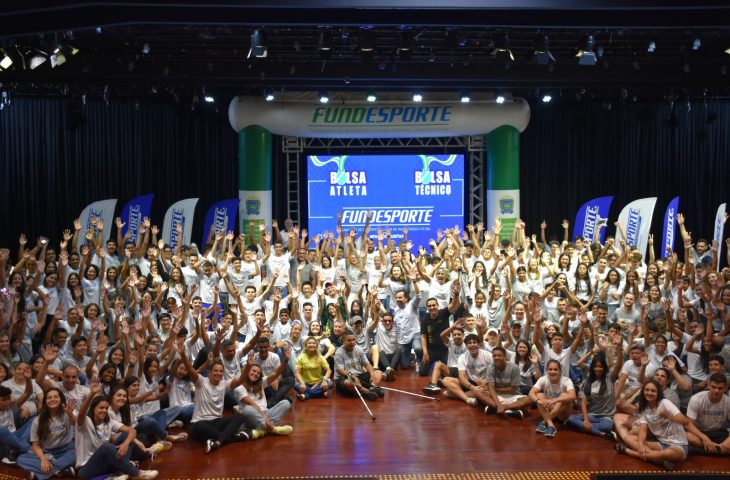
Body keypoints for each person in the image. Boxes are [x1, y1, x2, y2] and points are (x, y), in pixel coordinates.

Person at [174, 338, 251, 454]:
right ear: (209, 373)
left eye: (221, 371)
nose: (218, 373)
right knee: (197, 426)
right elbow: (190, 368)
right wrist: (182, 354)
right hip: (200, 423)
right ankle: (230, 438)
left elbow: (240, 380)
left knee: (240, 417)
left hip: (216, 422)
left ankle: (217, 442)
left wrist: (248, 366)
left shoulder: (224, 385)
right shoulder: (201, 382)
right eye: (215, 371)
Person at [74, 379, 158, 480]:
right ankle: (136, 473)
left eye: (106, 408)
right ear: (93, 409)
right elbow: (81, 413)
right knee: (106, 447)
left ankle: (121, 472)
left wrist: (126, 443)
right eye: (101, 408)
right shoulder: (86, 422)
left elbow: (132, 431)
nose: (104, 410)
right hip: (86, 469)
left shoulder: (109, 422)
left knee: (126, 436)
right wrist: (91, 394)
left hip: (105, 465)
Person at [614, 379, 704, 471]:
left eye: (653, 391)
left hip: (678, 445)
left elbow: (685, 421)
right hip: (661, 444)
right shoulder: (645, 408)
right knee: (629, 438)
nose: (649, 393)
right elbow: (643, 430)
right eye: (647, 390)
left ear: (658, 393)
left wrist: (669, 416)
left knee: (668, 453)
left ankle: (631, 453)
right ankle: (657, 459)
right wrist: (641, 445)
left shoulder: (665, 403)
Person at [234, 349, 294, 438]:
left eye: (258, 373)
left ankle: (260, 431)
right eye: (253, 371)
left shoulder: (261, 382)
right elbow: (252, 404)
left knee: (286, 403)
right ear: (248, 371)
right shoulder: (239, 387)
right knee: (247, 409)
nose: (256, 374)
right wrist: (264, 417)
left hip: (266, 412)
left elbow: (275, 373)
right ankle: (274, 429)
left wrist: (285, 361)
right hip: (251, 417)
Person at [565, 347, 622, 440]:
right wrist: (586, 420)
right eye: (595, 366)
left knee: (607, 426)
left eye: (600, 367)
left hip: (606, 417)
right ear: (592, 367)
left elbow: (618, 366)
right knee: (571, 418)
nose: (598, 369)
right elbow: (583, 401)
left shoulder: (609, 377)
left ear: (604, 368)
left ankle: (581, 426)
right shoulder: (587, 381)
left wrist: (619, 349)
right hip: (592, 415)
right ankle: (603, 434)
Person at [441, 333, 493, 407]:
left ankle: (456, 394)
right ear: (466, 345)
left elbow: (496, 372)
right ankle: (467, 399)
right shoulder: (462, 357)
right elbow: (461, 376)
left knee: (483, 391)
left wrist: (486, 381)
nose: (472, 345)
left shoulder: (488, 355)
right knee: (446, 380)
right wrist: (472, 387)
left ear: (478, 344)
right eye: (469, 343)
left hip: (484, 384)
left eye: (474, 342)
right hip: (470, 383)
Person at [528, 359, 576, 438]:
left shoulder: (566, 380)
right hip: (549, 409)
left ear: (560, 371)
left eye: (555, 369)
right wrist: (537, 400)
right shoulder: (543, 379)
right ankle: (550, 424)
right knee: (539, 396)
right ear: (547, 370)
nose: (552, 372)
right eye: (550, 369)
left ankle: (545, 422)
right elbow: (531, 393)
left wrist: (555, 400)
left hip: (562, 414)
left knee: (564, 395)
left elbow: (573, 395)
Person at [685, 373, 730, 455]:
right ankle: (718, 449)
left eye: (720, 388)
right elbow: (688, 425)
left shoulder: (728, 402)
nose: (716, 391)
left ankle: (704, 450)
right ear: (708, 385)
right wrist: (704, 438)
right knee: (688, 436)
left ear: (725, 388)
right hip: (700, 432)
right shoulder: (696, 399)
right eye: (714, 387)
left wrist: (727, 442)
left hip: (718, 432)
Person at [482, 346, 531, 419]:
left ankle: (497, 408)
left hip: (512, 395)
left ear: (505, 357)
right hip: (497, 395)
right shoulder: (490, 368)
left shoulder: (514, 368)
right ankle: (510, 411)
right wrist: (498, 403)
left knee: (528, 400)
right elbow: (491, 389)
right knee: (480, 392)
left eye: (499, 355)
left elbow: (512, 390)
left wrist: (495, 390)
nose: (496, 358)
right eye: (494, 356)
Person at [334, 332, 383, 401]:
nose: (352, 342)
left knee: (378, 373)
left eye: (353, 339)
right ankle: (366, 391)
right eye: (349, 340)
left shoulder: (359, 349)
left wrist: (372, 375)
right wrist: (354, 377)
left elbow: (367, 364)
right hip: (344, 378)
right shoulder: (338, 353)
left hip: (359, 376)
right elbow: (340, 371)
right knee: (348, 383)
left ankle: (372, 387)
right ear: (343, 342)